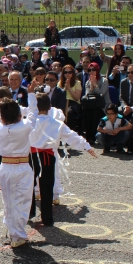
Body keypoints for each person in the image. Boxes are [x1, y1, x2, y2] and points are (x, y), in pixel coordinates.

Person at [29, 90, 96, 226]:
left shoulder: (29, 122)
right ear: (49, 107)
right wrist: (87, 146)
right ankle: (47, 218)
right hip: (47, 156)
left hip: (32, 155)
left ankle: (28, 212)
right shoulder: (56, 123)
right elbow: (72, 136)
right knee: (46, 186)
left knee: (29, 184)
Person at [0, 93, 34, 247]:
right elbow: (33, 114)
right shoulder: (25, 126)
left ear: (2, 118)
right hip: (22, 167)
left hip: (6, 167)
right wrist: (31, 95)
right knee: (22, 201)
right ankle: (17, 234)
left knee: (9, 200)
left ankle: (13, 232)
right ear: (19, 115)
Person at [82, 63, 110, 144]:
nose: (91, 72)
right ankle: (88, 137)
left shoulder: (104, 80)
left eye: (93, 70)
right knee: (87, 113)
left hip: (102, 105)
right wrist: (91, 87)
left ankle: (93, 137)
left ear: (97, 70)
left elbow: (101, 94)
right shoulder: (88, 82)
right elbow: (87, 95)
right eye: (89, 70)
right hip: (91, 105)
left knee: (95, 113)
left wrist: (96, 85)